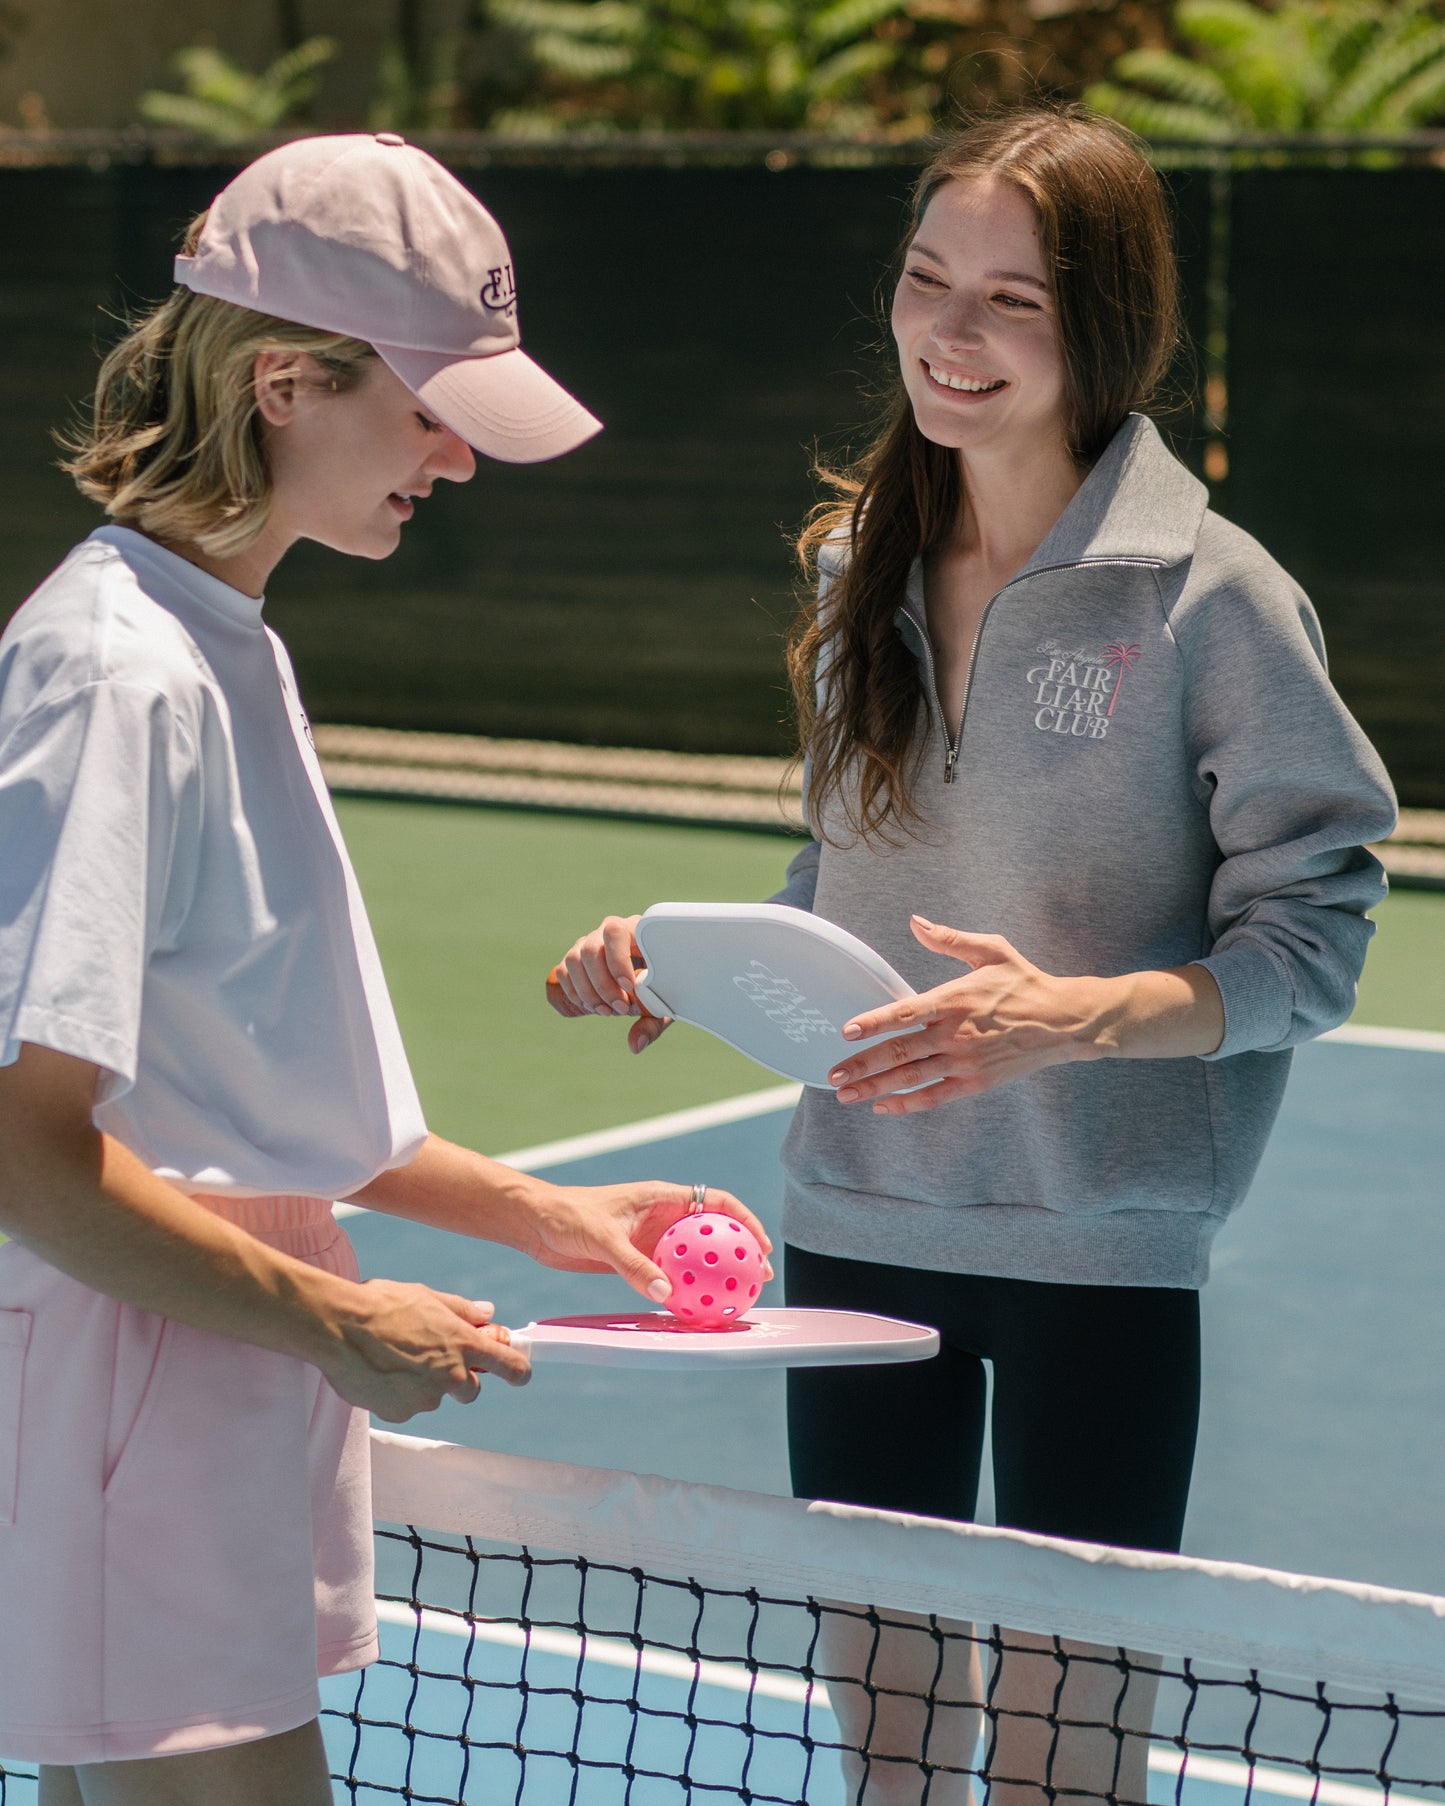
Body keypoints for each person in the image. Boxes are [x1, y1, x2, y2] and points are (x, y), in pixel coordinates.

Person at [548, 107, 1396, 1804]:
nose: (950, 331)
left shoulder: (1213, 600)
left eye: (1008, 299)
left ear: (1106, 323)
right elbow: (848, 854)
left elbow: (1313, 936)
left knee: (1068, 1756)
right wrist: (693, 959)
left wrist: (1067, 1019)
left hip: (1102, 1248)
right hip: (857, 1215)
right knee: (888, 1739)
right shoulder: (849, 560)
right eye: (926, 280)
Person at [0, 133, 768, 1806]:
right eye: (429, 412)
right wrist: (341, 1314)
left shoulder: (222, 637)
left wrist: (549, 1214)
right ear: (283, 379)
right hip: (155, 1372)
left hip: (209, 1355)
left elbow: (258, 1103)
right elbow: (26, 1155)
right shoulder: (118, 673)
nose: (460, 460)